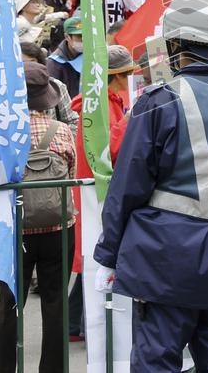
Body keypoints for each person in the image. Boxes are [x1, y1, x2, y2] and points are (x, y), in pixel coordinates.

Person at [94, 0, 208, 372]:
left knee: (157, 360)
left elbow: (127, 188)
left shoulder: (157, 101)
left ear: (176, 44)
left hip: (165, 260)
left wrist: (108, 255)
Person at [0, 61, 76, 373]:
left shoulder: (2, 135)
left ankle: (3, 368)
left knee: (10, 305)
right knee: (55, 304)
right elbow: (71, 174)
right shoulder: (63, 132)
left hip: (16, 230)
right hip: (58, 228)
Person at [66, 45, 137, 343]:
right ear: (116, 76)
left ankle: (73, 325)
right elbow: (111, 147)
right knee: (98, 255)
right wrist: (132, 119)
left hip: (95, 189)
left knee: (94, 257)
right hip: (98, 190)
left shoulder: (104, 102)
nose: (130, 79)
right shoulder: (103, 106)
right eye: (127, 74)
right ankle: (77, 325)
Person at [22, 42, 79, 137]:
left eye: (31, 62)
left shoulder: (56, 86)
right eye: (22, 63)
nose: (28, 67)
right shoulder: (5, 91)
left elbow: (73, 122)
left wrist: (59, 139)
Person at [48, 15, 84, 97]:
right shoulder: (54, 62)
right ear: (67, 37)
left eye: (85, 35)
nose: (83, 40)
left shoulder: (92, 56)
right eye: (79, 36)